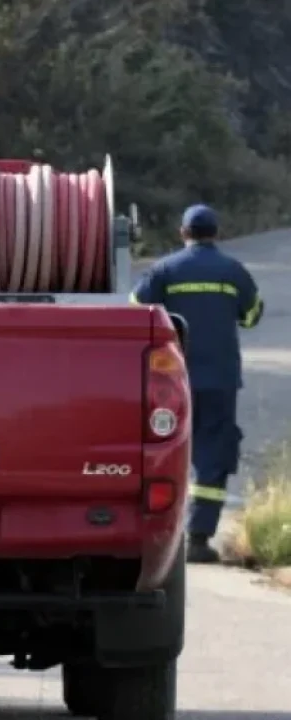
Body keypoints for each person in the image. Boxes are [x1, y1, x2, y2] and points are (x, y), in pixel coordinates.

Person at [130, 204, 263, 564]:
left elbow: (135, 310)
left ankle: (152, 535)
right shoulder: (232, 271)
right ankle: (199, 538)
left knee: (161, 449)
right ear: (216, 233)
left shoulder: (164, 270)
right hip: (219, 380)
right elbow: (252, 315)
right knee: (212, 455)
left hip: (169, 379)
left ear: (182, 233)